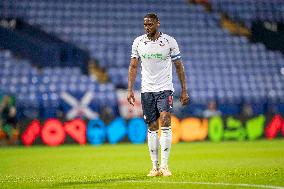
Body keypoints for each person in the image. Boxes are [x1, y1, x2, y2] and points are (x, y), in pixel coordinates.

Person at [127, 13, 189, 177]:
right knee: (152, 126)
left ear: (158, 23)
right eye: (145, 25)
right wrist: (129, 90)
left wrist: (184, 90)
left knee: (166, 119)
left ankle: (165, 166)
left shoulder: (169, 41)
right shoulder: (138, 42)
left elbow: (179, 66)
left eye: (150, 24)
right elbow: (133, 66)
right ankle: (154, 168)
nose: (147, 27)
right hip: (147, 90)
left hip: (165, 88)